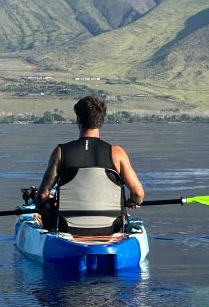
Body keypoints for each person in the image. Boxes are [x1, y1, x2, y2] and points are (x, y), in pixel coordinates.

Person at [35, 95, 145, 235]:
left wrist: (51, 202)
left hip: (68, 229)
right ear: (101, 121)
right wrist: (131, 201)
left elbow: (41, 197)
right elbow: (138, 194)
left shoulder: (60, 152)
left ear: (78, 119)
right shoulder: (117, 153)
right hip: (111, 228)